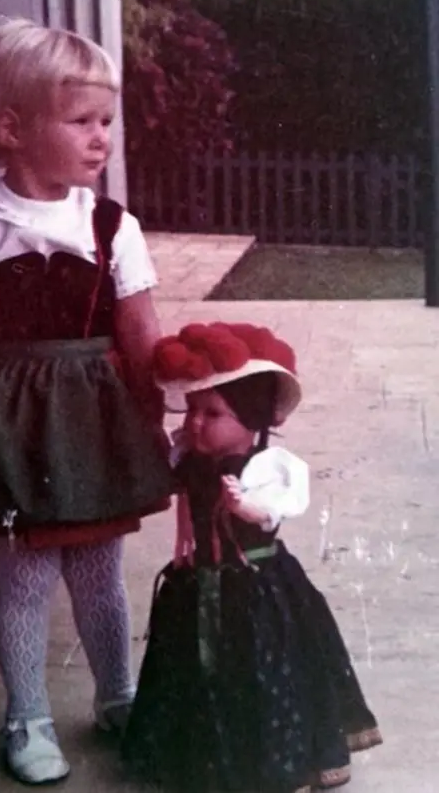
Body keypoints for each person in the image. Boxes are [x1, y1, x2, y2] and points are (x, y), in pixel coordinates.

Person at [0, 17, 173, 786]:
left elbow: (142, 331)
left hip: (95, 426)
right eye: (81, 121)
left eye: (105, 121)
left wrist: (169, 402)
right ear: (10, 129)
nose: (101, 138)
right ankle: (28, 715)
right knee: (23, 579)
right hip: (6, 430)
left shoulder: (114, 227)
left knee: (99, 573)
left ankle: (118, 696)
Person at [121, 321, 382, 793]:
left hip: (256, 582)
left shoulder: (267, 470)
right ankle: (202, 751)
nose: (195, 422)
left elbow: (271, 516)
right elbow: (186, 503)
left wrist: (245, 505)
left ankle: (274, 757)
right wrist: (183, 544)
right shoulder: (191, 460)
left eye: (213, 413)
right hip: (199, 579)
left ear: (253, 420)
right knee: (197, 666)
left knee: (262, 668)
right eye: (192, 409)